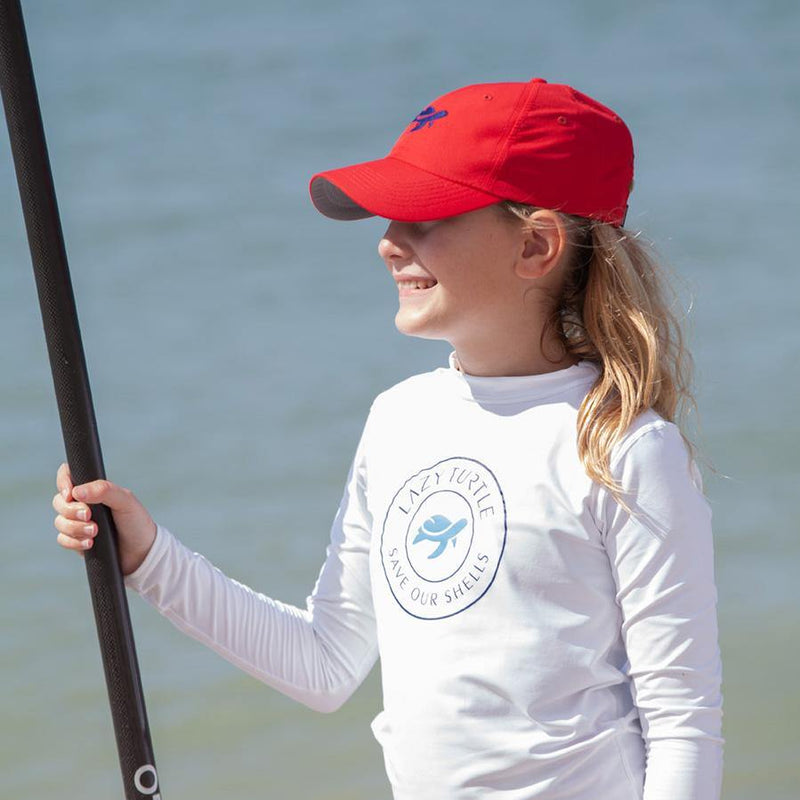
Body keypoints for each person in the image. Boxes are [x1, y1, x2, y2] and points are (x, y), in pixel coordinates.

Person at [52, 78, 723, 799]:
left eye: (424, 218)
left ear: (535, 245)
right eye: (389, 218)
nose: (386, 244)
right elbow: (324, 663)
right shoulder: (401, 418)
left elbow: (683, 723)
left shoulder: (624, 448)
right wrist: (148, 558)